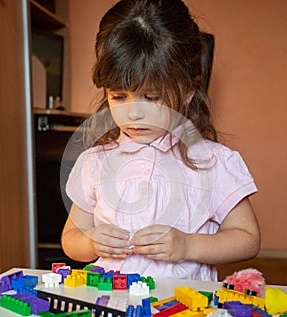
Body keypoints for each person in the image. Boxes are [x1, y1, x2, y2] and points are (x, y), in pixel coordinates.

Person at [61, 0, 260, 280]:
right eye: (118, 97)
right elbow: (71, 239)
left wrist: (188, 245)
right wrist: (91, 241)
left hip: (184, 308)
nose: (133, 113)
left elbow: (248, 238)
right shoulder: (95, 162)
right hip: (110, 303)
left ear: (189, 90)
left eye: (152, 98)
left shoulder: (213, 161)